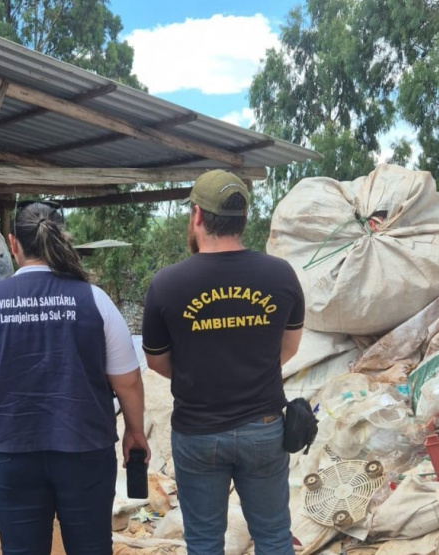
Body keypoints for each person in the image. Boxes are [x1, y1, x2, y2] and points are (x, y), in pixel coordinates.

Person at [0, 200, 150, 555]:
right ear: (63, 239)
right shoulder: (95, 301)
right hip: (84, 452)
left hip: (12, 453)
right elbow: (127, 381)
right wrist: (135, 432)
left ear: (13, 243)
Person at [142, 170, 304, 555]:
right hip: (264, 430)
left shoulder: (167, 284)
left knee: (203, 542)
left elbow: (157, 363)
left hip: (197, 432)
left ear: (197, 215)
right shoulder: (279, 274)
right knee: (274, 537)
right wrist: (252, 367)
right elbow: (290, 348)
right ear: (243, 219)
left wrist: (199, 372)